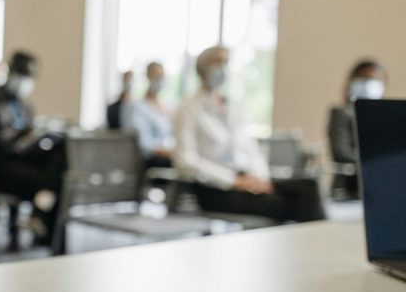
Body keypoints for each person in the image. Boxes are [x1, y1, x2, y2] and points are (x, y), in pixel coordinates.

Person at [174, 46, 326, 223]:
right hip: (216, 188)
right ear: (202, 67)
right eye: (217, 62)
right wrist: (234, 181)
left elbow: (251, 150)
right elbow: (186, 162)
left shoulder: (233, 107)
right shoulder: (188, 109)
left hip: (248, 179)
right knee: (289, 204)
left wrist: (260, 179)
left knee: (309, 186)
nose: (222, 68)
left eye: (225, 62)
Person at [0, 51, 66, 247]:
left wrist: (37, 135)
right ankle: (43, 220)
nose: (25, 82)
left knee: (62, 150)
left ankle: (42, 223)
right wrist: (13, 138)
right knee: (50, 181)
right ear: (11, 73)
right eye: (22, 76)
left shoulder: (25, 106)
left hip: (22, 160)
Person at [328, 59, 387, 199]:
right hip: (351, 186)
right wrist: (379, 160)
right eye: (364, 78)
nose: (368, 83)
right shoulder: (342, 113)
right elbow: (341, 153)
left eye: (373, 79)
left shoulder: (385, 115)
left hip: (382, 186)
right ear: (352, 81)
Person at [122, 61, 174, 169]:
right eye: (157, 76)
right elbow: (144, 144)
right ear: (148, 77)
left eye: (162, 76)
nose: (160, 80)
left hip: (169, 156)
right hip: (153, 162)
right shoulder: (138, 107)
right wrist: (170, 153)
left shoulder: (167, 108)